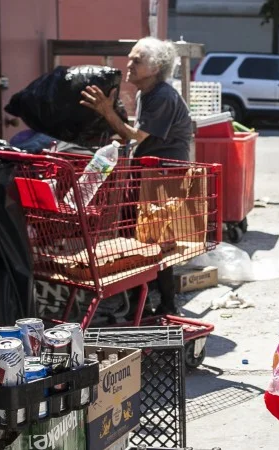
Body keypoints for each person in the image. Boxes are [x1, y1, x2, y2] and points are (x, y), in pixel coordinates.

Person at [80, 36, 192, 315]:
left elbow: (137, 136)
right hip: (148, 171)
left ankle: (166, 305)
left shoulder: (163, 96)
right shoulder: (146, 93)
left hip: (164, 176)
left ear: (155, 68)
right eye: (130, 58)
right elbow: (135, 134)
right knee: (133, 233)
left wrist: (107, 111)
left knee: (157, 239)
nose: (128, 64)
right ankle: (136, 301)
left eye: (136, 60)